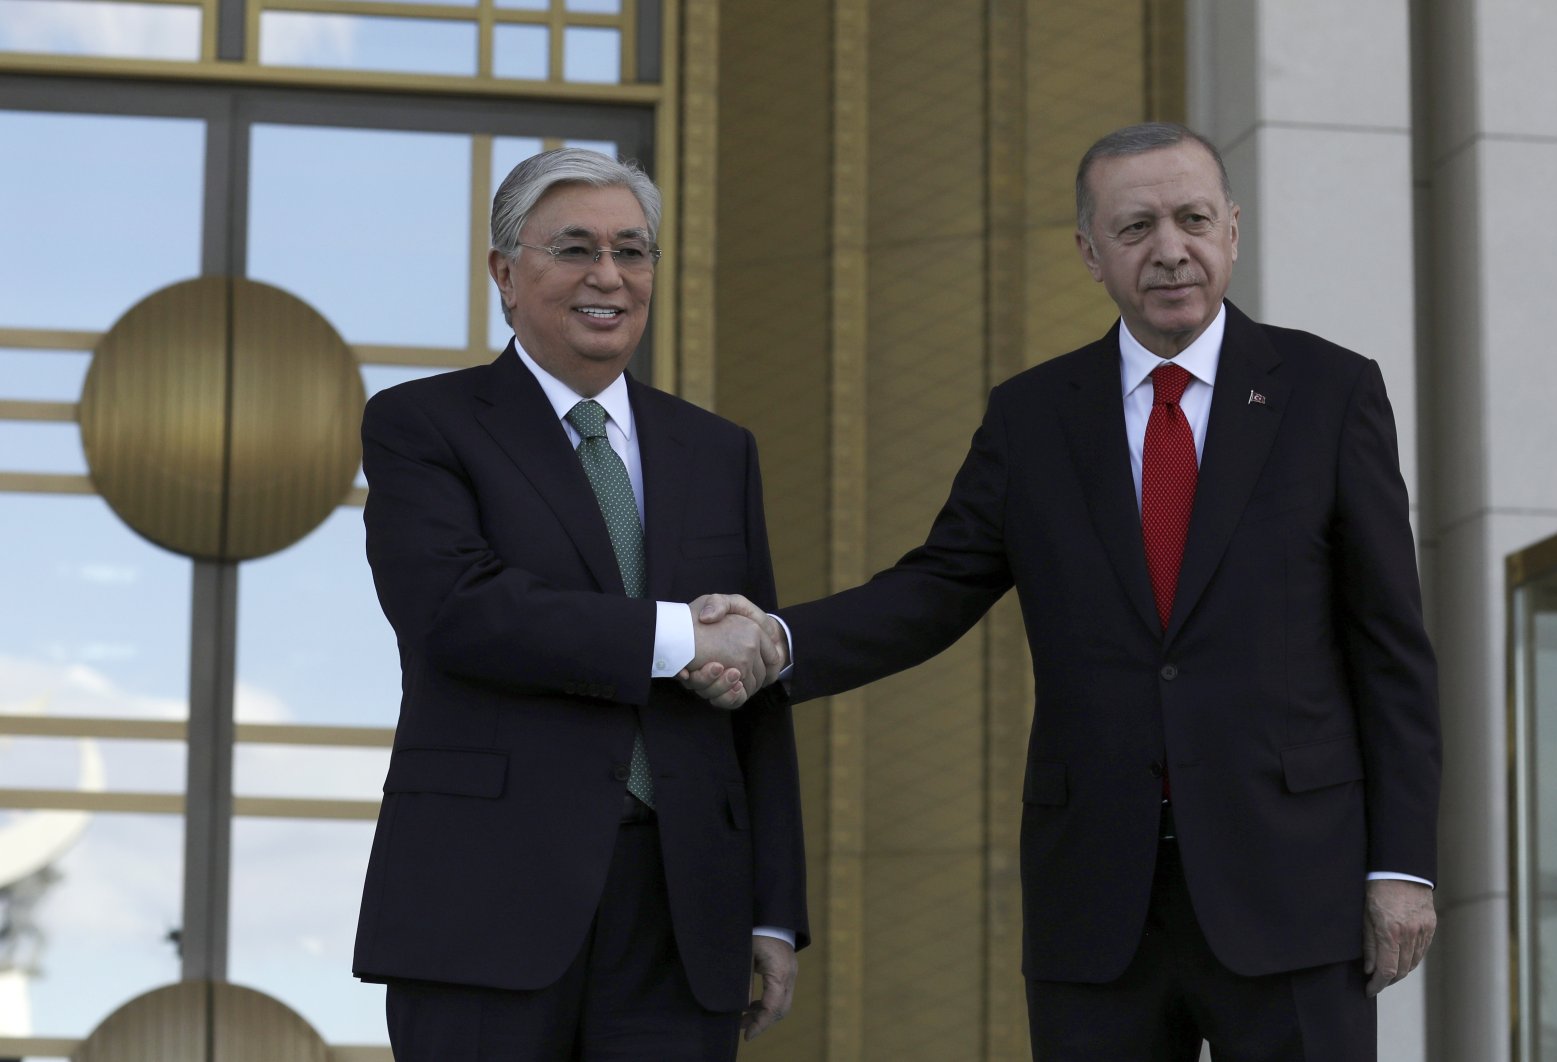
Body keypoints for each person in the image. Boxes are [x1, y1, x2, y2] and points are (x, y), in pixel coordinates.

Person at [687, 123, 1440, 1060]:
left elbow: (1390, 649)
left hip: (1293, 887)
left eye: (1193, 219)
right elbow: (934, 587)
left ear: (1233, 232)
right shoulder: (1033, 415)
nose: (1170, 249)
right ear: (1091, 252)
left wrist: (1402, 866)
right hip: (1097, 897)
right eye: (1136, 228)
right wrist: (777, 644)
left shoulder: (1331, 392)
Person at [352, 148, 807, 1061]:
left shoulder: (720, 451)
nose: (609, 276)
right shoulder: (419, 424)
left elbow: (754, 692)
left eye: (633, 252)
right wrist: (683, 635)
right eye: (575, 249)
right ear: (505, 275)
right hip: (484, 903)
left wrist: (774, 906)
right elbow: (458, 610)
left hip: (684, 914)